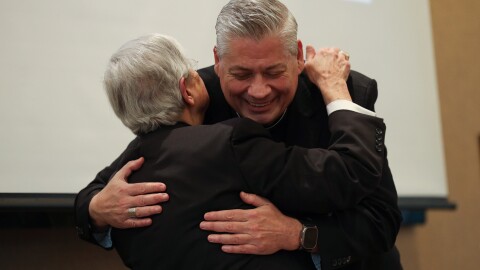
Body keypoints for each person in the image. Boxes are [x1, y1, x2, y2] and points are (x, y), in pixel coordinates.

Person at [75, 0, 403, 269]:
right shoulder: (196, 95)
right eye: (241, 74)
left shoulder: (343, 95)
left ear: (298, 57)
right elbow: (102, 187)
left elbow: (381, 220)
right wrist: (96, 209)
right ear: (218, 63)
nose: (258, 91)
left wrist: (298, 234)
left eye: (274, 72)